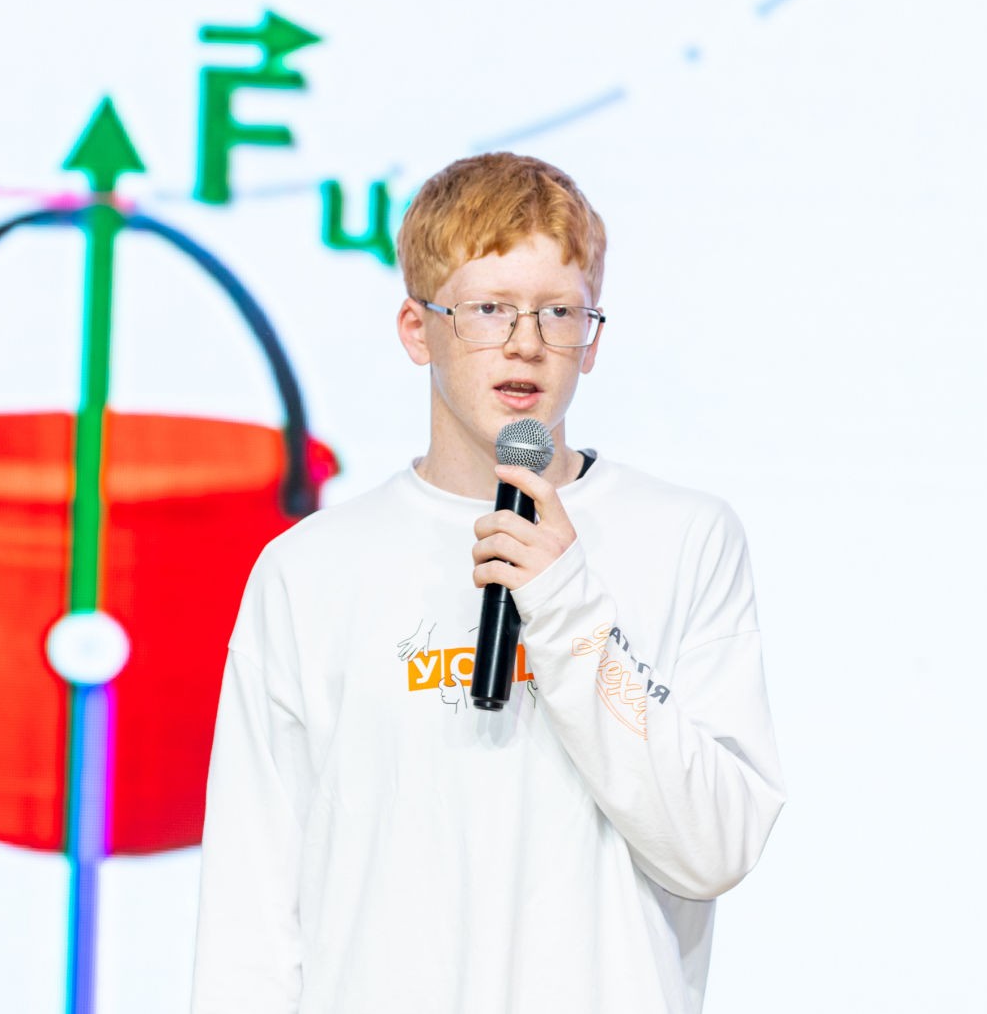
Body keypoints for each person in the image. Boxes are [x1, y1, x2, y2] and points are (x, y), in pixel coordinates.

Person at [191, 152, 785, 1014]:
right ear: (416, 328)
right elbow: (250, 910)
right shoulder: (310, 569)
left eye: (558, 311)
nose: (525, 343)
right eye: (489, 309)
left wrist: (569, 609)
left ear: (593, 338)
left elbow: (716, 844)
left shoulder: (685, 537)